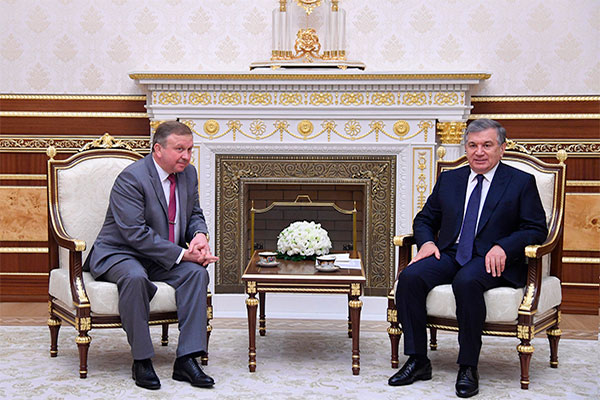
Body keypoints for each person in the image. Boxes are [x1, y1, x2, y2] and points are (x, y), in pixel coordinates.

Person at [388, 119, 547, 398]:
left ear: (502, 148)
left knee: (466, 281)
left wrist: (504, 247)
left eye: (487, 145)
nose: (479, 152)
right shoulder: (451, 179)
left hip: (492, 258)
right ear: (466, 148)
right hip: (451, 252)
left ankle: (468, 366)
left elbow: (536, 228)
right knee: (410, 277)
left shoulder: (520, 182)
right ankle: (418, 360)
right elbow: (425, 219)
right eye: (473, 145)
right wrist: (427, 243)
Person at [84, 121, 218, 390]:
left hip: (160, 256)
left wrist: (199, 236)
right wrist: (183, 253)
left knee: (196, 274)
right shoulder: (131, 178)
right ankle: (142, 359)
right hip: (121, 252)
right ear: (158, 149)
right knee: (135, 278)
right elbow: (135, 233)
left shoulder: (188, 174)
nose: (186, 156)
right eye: (179, 149)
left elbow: (194, 213)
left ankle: (187, 359)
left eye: (190, 149)